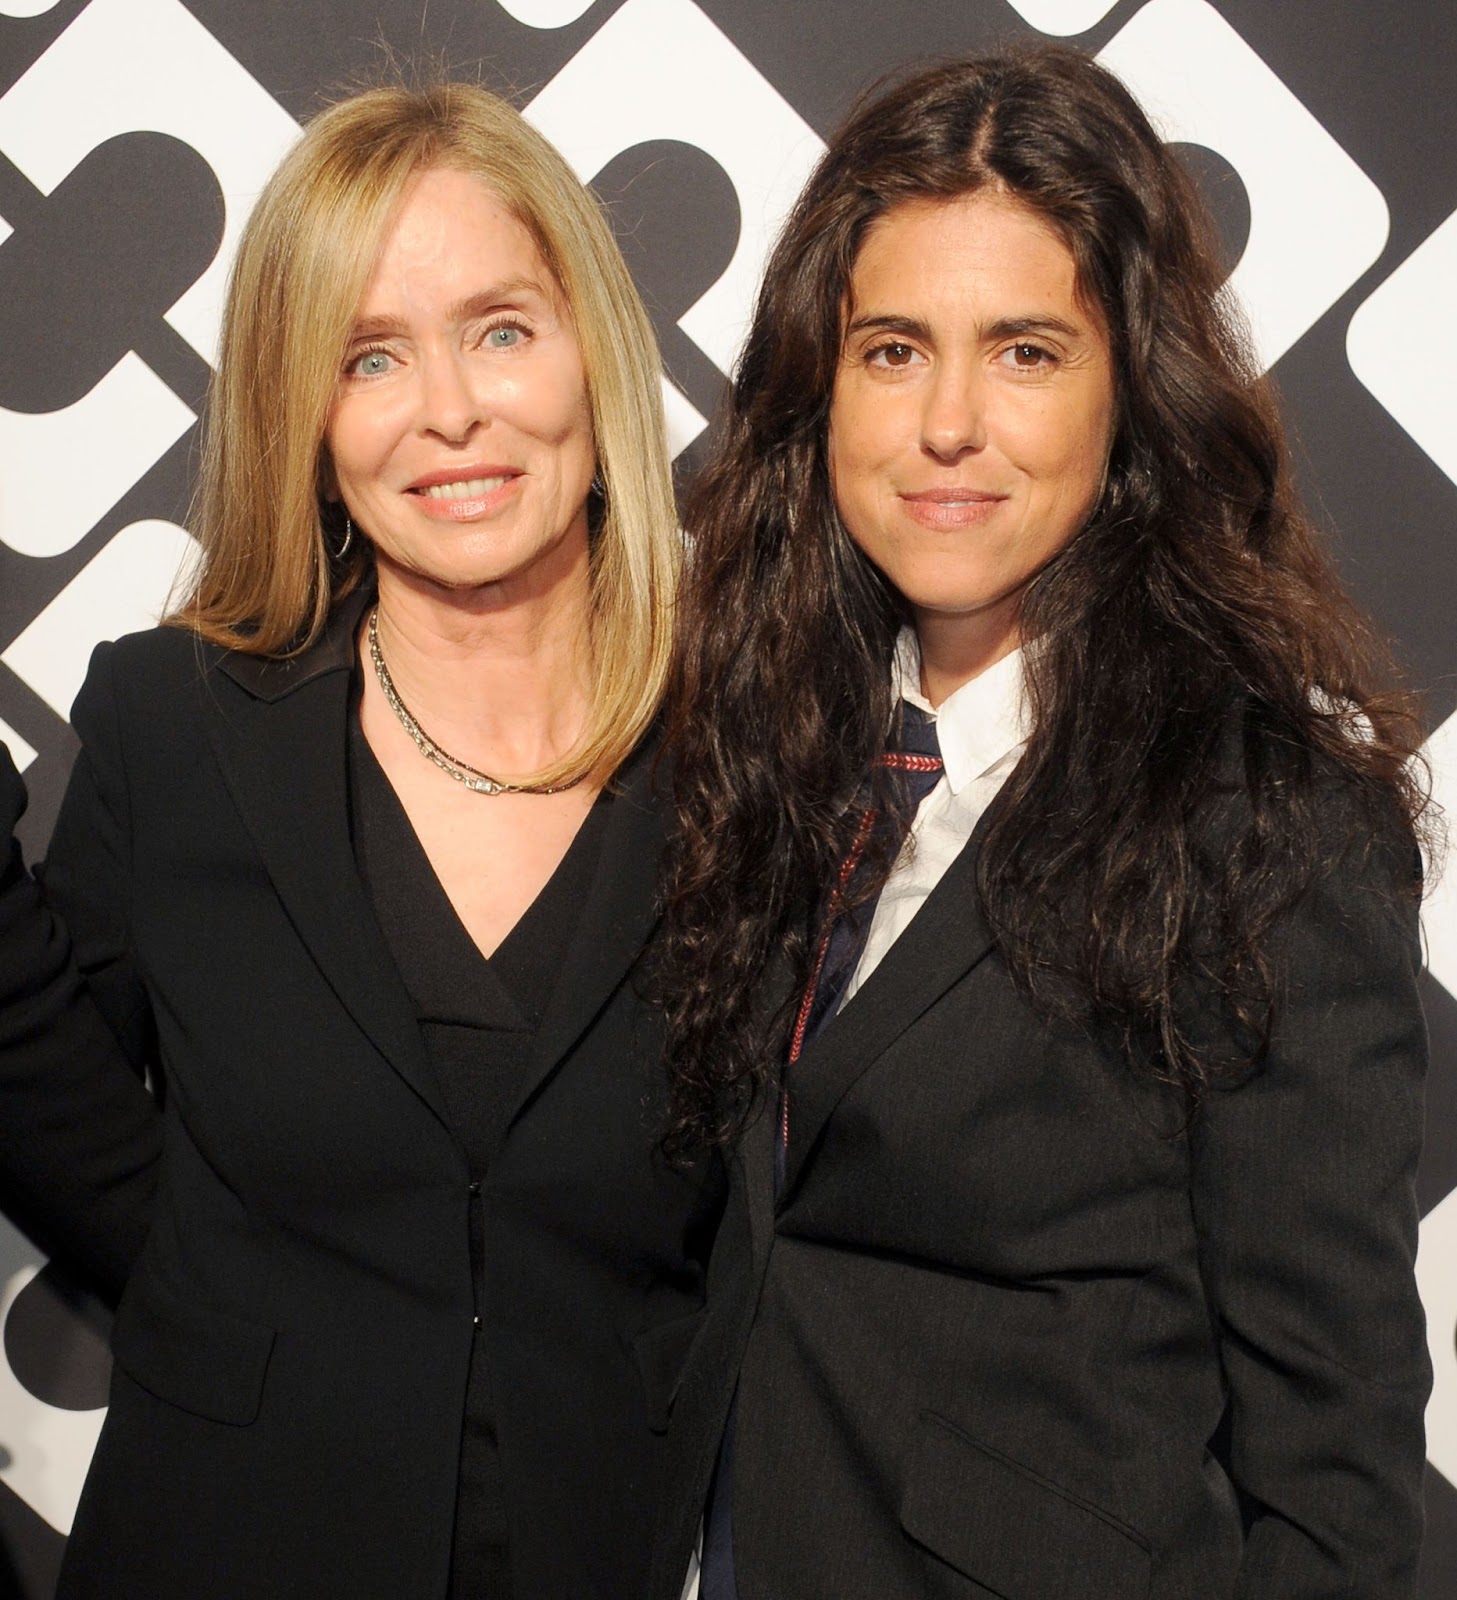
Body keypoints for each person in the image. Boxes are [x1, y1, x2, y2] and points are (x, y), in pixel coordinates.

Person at [653, 44, 1431, 1600]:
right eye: (889, 350)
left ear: (1131, 387)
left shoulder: (1270, 819)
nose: (947, 424)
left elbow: (1332, 1454)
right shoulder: (747, 746)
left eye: (1022, 351)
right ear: (819, 388)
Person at [38, 82, 724, 1600]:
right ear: (308, 412)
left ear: (591, 349)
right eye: (369, 356)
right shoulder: (174, 725)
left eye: (498, 329)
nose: (449, 412)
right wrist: (247, 1311)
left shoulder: (760, 754)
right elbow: (59, 1107)